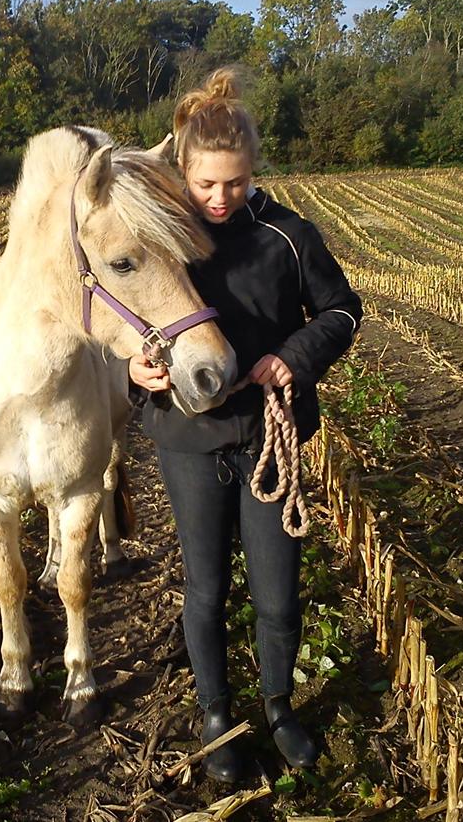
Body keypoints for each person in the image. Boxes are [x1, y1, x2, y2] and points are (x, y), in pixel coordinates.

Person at [120, 68, 363, 781]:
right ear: (184, 174)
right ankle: (217, 714)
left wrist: (295, 356)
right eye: (206, 185)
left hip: (268, 438)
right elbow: (123, 317)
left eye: (235, 183)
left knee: (278, 592)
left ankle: (280, 706)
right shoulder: (160, 238)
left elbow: (344, 311)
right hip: (188, 440)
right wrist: (133, 370)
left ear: (254, 170)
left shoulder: (290, 235)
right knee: (205, 588)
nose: (221, 198)